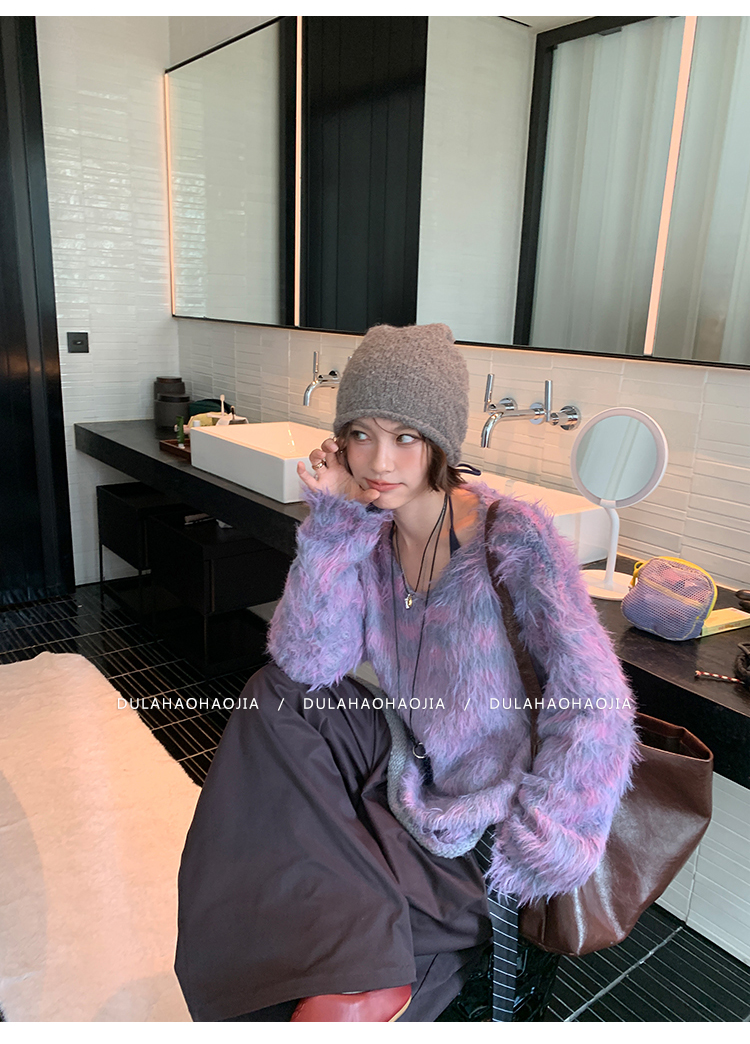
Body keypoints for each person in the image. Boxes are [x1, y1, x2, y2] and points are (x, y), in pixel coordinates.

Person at [174, 323, 639, 1023]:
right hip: (413, 768)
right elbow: (309, 662)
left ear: (440, 443)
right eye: (361, 434)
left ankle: (369, 969)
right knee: (275, 698)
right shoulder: (372, 530)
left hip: (492, 813)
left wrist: (541, 839)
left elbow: (596, 701)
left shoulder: (513, 536)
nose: (379, 460)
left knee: (315, 872)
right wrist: (334, 522)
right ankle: (360, 962)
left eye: (406, 437)